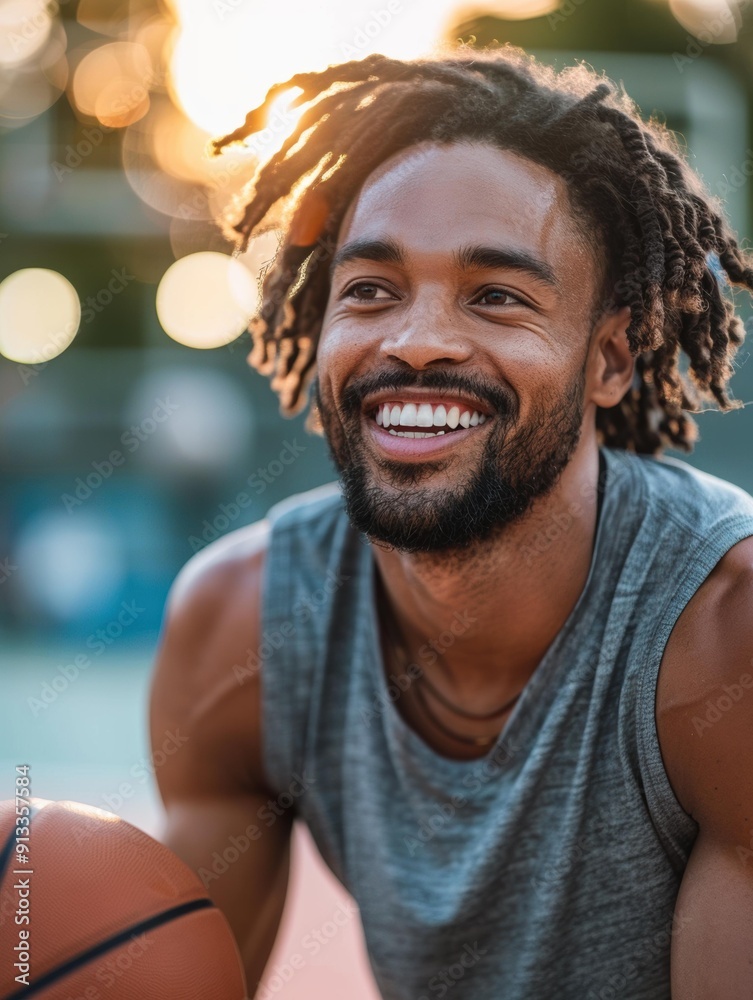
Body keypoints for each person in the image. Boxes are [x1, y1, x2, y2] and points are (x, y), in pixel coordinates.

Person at [149, 45, 753, 999]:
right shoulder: (241, 627)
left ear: (609, 359)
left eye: (498, 297)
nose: (416, 339)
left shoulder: (724, 638)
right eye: (371, 291)